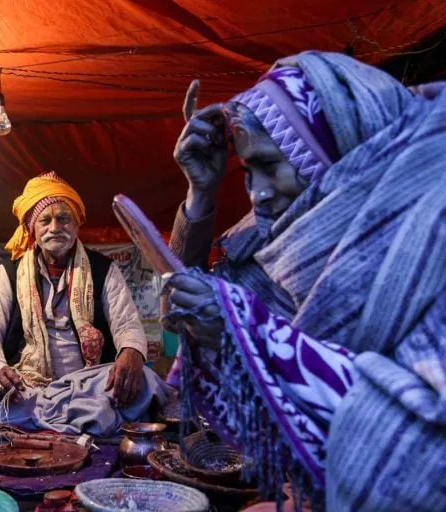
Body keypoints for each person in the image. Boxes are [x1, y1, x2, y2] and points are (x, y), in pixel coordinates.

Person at [162, 52, 445, 511]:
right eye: (248, 172)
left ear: (332, 152)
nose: (258, 193)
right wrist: (201, 191)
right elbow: (184, 312)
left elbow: (428, 449)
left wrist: (251, 338)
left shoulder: (432, 237)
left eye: (270, 166)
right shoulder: (283, 241)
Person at [0, 172, 172, 436]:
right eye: (45, 220)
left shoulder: (103, 269)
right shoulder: (9, 273)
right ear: (32, 228)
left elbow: (126, 323)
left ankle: (28, 421)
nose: (55, 227)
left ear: (77, 224)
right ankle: (74, 422)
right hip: (22, 389)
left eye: (63, 219)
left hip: (84, 387)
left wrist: (131, 352)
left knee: (147, 382)